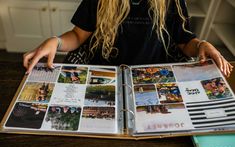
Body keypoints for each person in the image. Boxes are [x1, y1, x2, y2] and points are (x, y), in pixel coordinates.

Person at [23, 0, 233, 77]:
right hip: (104, 72)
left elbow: (185, 43)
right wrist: (56, 41)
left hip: (153, 77)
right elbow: (78, 36)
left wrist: (202, 45)